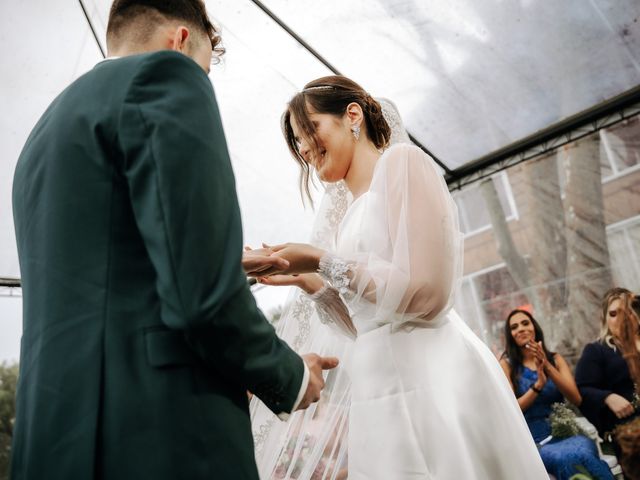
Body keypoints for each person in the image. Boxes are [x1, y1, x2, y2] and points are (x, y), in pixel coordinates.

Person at [10, 1, 337, 479]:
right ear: (182, 40)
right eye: (205, 68)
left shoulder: (40, 137)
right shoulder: (166, 76)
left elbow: (108, 278)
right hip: (160, 432)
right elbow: (201, 296)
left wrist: (225, 261)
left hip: (53, 437)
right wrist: (291, 374)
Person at [247, 75, 548, 479]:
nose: (304, 149)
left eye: (310, 130)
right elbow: (366, 324)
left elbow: (428, 295)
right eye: (298, 143)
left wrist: (322, 261)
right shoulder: (342, 220)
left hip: (431, 378)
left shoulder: (404, 165)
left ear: (352, 115)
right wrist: (311, 283)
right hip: (378, 395)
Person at [499, 309, 613, 480]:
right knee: (564, 458)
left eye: (525, 323)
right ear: (510, 335)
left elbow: (576, 398)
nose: (521, 329)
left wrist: (547, 367)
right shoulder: (507, 365)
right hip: (536, 441)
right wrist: (538, 385)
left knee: (583, 452)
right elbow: (512, 409)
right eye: (514, 327)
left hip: (567, 431)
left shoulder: (555, 359)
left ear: (534, 327)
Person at [575, 287, 640, 452]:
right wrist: (607, 397)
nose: (621, 319)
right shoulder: (597, 350)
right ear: (604, 319)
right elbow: (582, 389)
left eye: (626, 311)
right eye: (613, 313)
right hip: (630, 429)